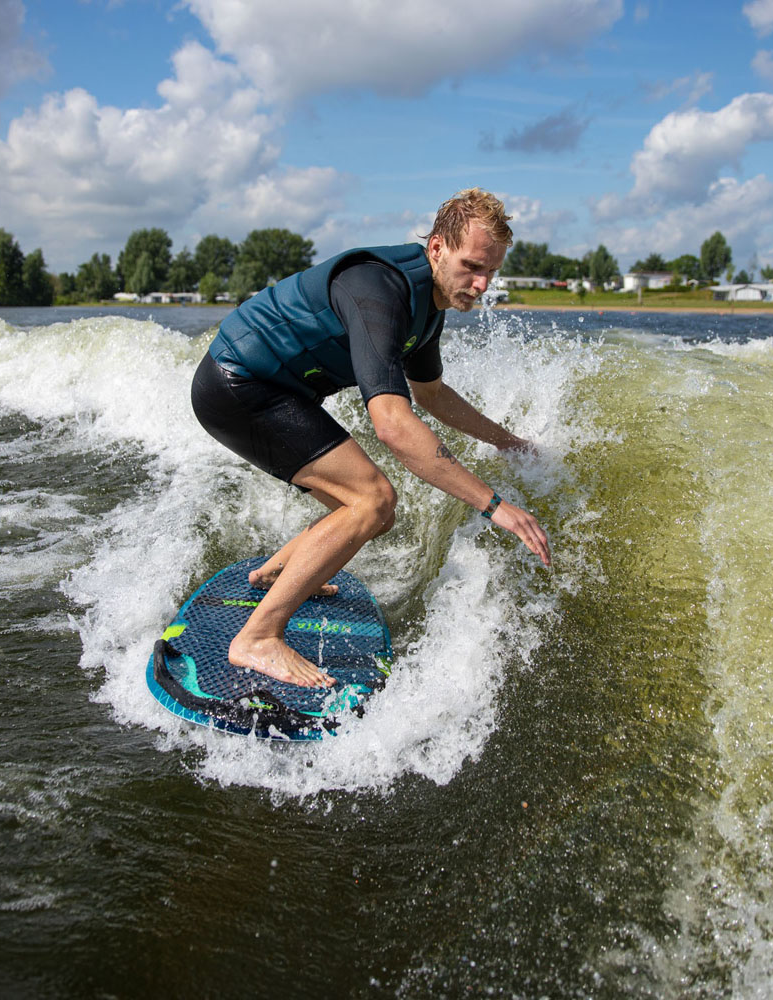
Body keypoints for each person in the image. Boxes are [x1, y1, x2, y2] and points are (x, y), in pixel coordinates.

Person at [191, 188, 551, 689]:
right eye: (472, 266)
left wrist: (505, 441)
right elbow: (393, 424)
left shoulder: (429, 307)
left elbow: (431, 394)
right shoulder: (378, 289)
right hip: (238, 385)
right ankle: (258, 637)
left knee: (371, 513)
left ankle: (277, 573)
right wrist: (495, 506)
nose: (482, 284)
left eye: (491, 271)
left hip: (278, 393)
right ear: (437, 248)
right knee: (373, 500)